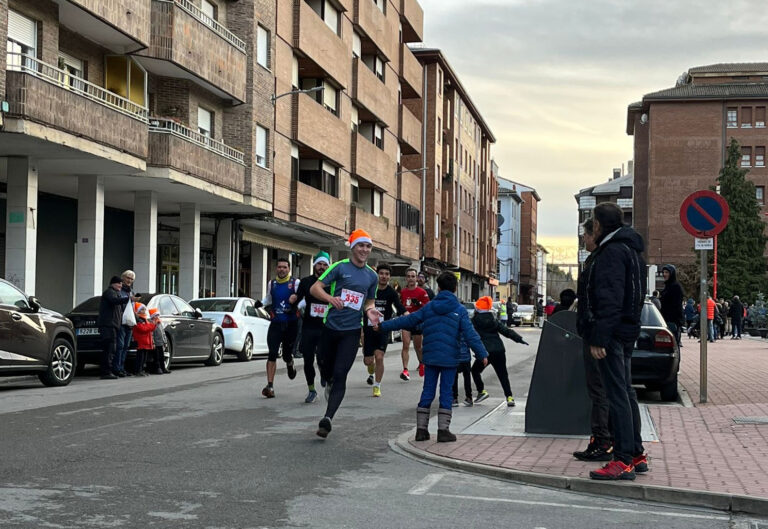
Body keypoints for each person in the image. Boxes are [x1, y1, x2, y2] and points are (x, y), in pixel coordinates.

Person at [379, 272, 488, 443]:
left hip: (430, 357)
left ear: (438, 287)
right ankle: (443, 431)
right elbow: (470, 335)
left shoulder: (429, 307)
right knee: (446, 392)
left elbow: (407, 321)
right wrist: (482, 354)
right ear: (455, 288)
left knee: (428, 391)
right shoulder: (459, 310)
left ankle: (421, 431)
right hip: (450, 358)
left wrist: (382, 326)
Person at [583, 203, 647, 481]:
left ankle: (622, 460)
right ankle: (636, 454)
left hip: (612, 334)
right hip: (626, 331)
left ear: (598, 225)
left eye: (592, 223)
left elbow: (609, 298)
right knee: (627, 393)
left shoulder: (610, 253)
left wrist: (599, 337)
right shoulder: (632, 251)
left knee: (616, 395)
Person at [309, 229, 380, 438]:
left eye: (368, 246)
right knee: (323, 362)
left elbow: (369, 301)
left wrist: (370, 311)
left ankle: (327, 419)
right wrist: (331, 299)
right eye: (361, 245)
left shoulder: (372, 276)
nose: (365, 250)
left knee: (341, 374)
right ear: (353, 248)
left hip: (351, 331)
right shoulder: (339, 268)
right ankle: (327, 378)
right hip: (330, 327)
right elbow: (316, 288)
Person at [573, 218, 613, 462]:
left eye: (586, 236)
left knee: (600, 391)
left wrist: (596, 336)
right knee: (601, 391)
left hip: (598, 337)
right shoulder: (598, 259)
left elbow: (603, 302)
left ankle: (603, 441)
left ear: (595, 233)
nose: (584, 240)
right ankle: (602, 439)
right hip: (595, 333)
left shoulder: (602, 260)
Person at [469, 296, 528, 407]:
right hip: (499, 350)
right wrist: (519, 339)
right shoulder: (493, 320)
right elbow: (506, 331)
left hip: (485, 352)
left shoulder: (474, 321)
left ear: (477, 308)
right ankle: (509, 397)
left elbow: (470, 336)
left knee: (475, 371)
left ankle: (481, 391)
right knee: (502, 375)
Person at [257, 258, 300, 398]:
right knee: (272, 353)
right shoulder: (272, 283)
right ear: (276, 269)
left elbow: (303, 299)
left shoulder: (295, 283)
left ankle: (289, 362)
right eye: (279, 267)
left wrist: (295, 306)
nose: (282, 269)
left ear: (289, 269)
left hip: (291, 324)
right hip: (275, 323)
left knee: (287, 353)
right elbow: (269, 298)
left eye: (284, 267)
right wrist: (261, 303)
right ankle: (270, 386)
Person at [363, 263, 407, 397]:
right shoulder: (370, 289)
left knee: (380, 357)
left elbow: (399, 306)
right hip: (368, 329)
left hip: (383, 329)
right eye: (381, 273)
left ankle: (377, 386)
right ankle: (371, 368)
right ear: (377, 275)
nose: (384, 276)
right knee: (368, 361)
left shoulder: (391, 293)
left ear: (389, 277)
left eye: (387, 274)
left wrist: (408, 316)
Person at [295, 251, 331, 403]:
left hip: (325, 327)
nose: (322, 267)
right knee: (307, 360)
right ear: (314, 265)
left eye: (325, 265)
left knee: (323, 358)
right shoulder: (305, 282)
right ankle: (311, 390)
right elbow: (298, 299)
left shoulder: (331, 282)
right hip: (309, 326)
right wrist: (296, 301)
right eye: (319, 264)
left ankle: (324, 374)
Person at [398, 268, 430, 381]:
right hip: (406, 321)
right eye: (409, 276)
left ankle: (422, 363)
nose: (411, 279)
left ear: (416, 278)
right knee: (405, 345)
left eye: (413, 276)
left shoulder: (422, 292)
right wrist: (401, 313)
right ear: (406, 278)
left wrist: (419, 303)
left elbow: (428, 307)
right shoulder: (403, 292)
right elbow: (400, 305)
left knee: (418, 347)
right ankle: (405, 370)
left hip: (418, 322)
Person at [97, 276, 130, 380]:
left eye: (121, 283)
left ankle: (108, 371)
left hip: (113, 325)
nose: (120, 285)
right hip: (108, 325)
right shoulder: (109, 292)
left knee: (112, 348)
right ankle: (106, 372)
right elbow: (114, 301)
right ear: (113, 284)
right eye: (118, 283)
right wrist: (129, 298)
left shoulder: (116, 293)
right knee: (109, 348)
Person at [115, 270, 140, 377]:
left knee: (126, 346)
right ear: (123, 278)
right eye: (127, 278)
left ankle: (121, 367)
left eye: (131, 279)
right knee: (120, 346)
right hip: (120, 322)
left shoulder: (131, 292)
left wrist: (136, 317)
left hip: (129, 322)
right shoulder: (119, 291)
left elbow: (133, 307)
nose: (129, 280)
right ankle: (117, 368)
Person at [659, 265, 684, 346]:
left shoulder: (675, 287)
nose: (664, 274)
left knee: (673, 344)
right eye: (663, 272)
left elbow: (676, 305)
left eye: (666, 272)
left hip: (672, 320)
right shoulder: (667, 286)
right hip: (666, 320)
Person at [131, 304, 155, 376]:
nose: (144, 311)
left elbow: (147, 328)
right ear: (137, 311)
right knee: (140, 357)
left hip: (145, 341)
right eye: (142, 309)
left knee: (143, 357)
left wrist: (150, 325)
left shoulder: (144, 319)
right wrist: (152, 325)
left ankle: (141, 370)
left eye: (144, 309)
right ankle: (138, 370)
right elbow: (143, 329)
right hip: (141, 341)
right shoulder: (138, 319)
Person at [149, 308, 170, 374]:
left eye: (158, 315)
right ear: (152, 316)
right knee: (156, 357)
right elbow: (151, 334)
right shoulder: (152, 323)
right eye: (155, 315)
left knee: (162, 356)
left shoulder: (159, 323)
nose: (157, 317)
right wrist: (153, 342)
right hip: (155, 343)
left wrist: (164, 341)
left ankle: (163, 368)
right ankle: (157, 368)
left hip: (161, 343)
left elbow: (163, 333)